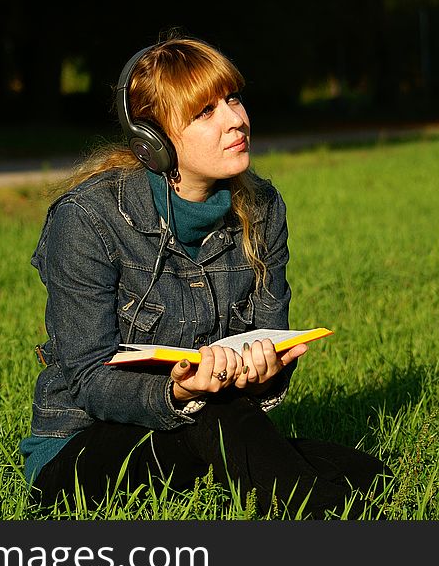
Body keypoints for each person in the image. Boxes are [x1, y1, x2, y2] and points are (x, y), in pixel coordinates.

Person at [20, 35, 393, 519]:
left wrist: (265, 374)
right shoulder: (87, 219)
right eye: (205, 112)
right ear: (151, 142)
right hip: (80, 445)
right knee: (220, 417)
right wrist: (178, 392)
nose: (236, 120)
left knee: (365, 472)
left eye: (233, 98)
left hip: (208, 425)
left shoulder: (262, 209)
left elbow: (264, 336)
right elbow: (87, 377)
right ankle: (320, 520)